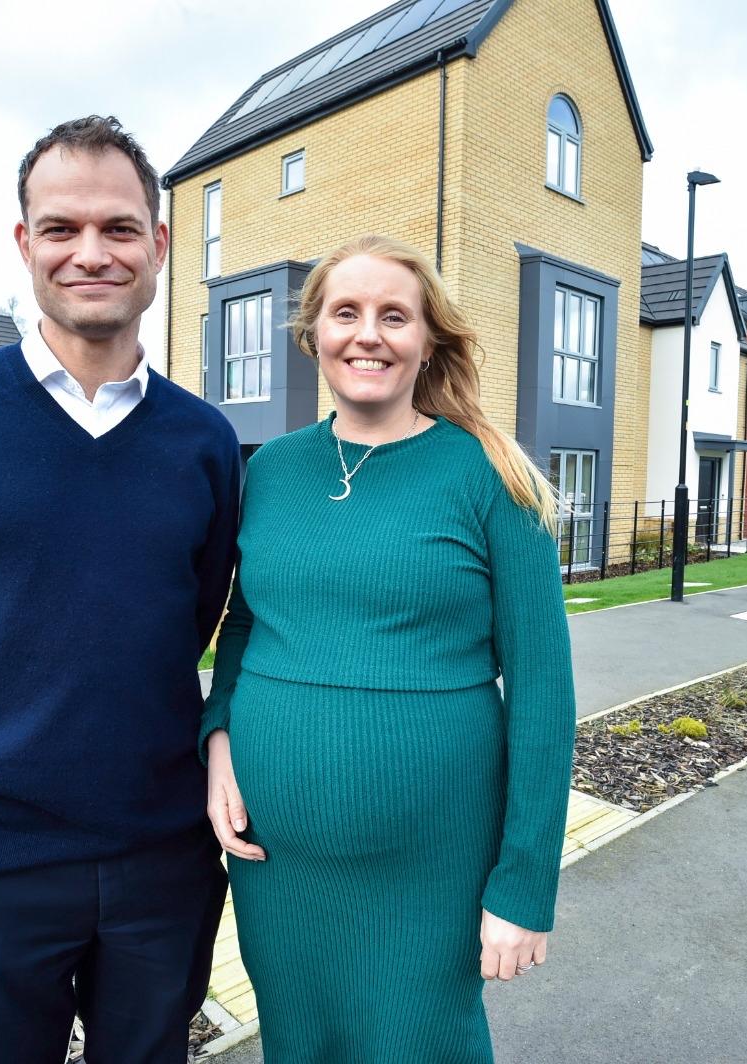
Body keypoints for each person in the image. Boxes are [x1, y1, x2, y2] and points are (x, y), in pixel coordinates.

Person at [0, 115, 241, 1064]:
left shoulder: (204, 441)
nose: (90, 252)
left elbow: (188, 616)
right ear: (25, 246)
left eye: (117, 228)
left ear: (158, 244)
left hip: (161, 853)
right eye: (61, 229)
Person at [201, 234, 576, 1062]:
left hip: (431, 866)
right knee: (299, 1043)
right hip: (279, 861)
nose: (367, 334)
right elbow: (246, 623)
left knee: (421, 1043)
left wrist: (524, 884)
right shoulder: (270, 472)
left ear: (428, 338)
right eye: (347, 312)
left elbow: (545, 700)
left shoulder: (490, 477)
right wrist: (218, 739)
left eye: (393, 316)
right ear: (314, 335)